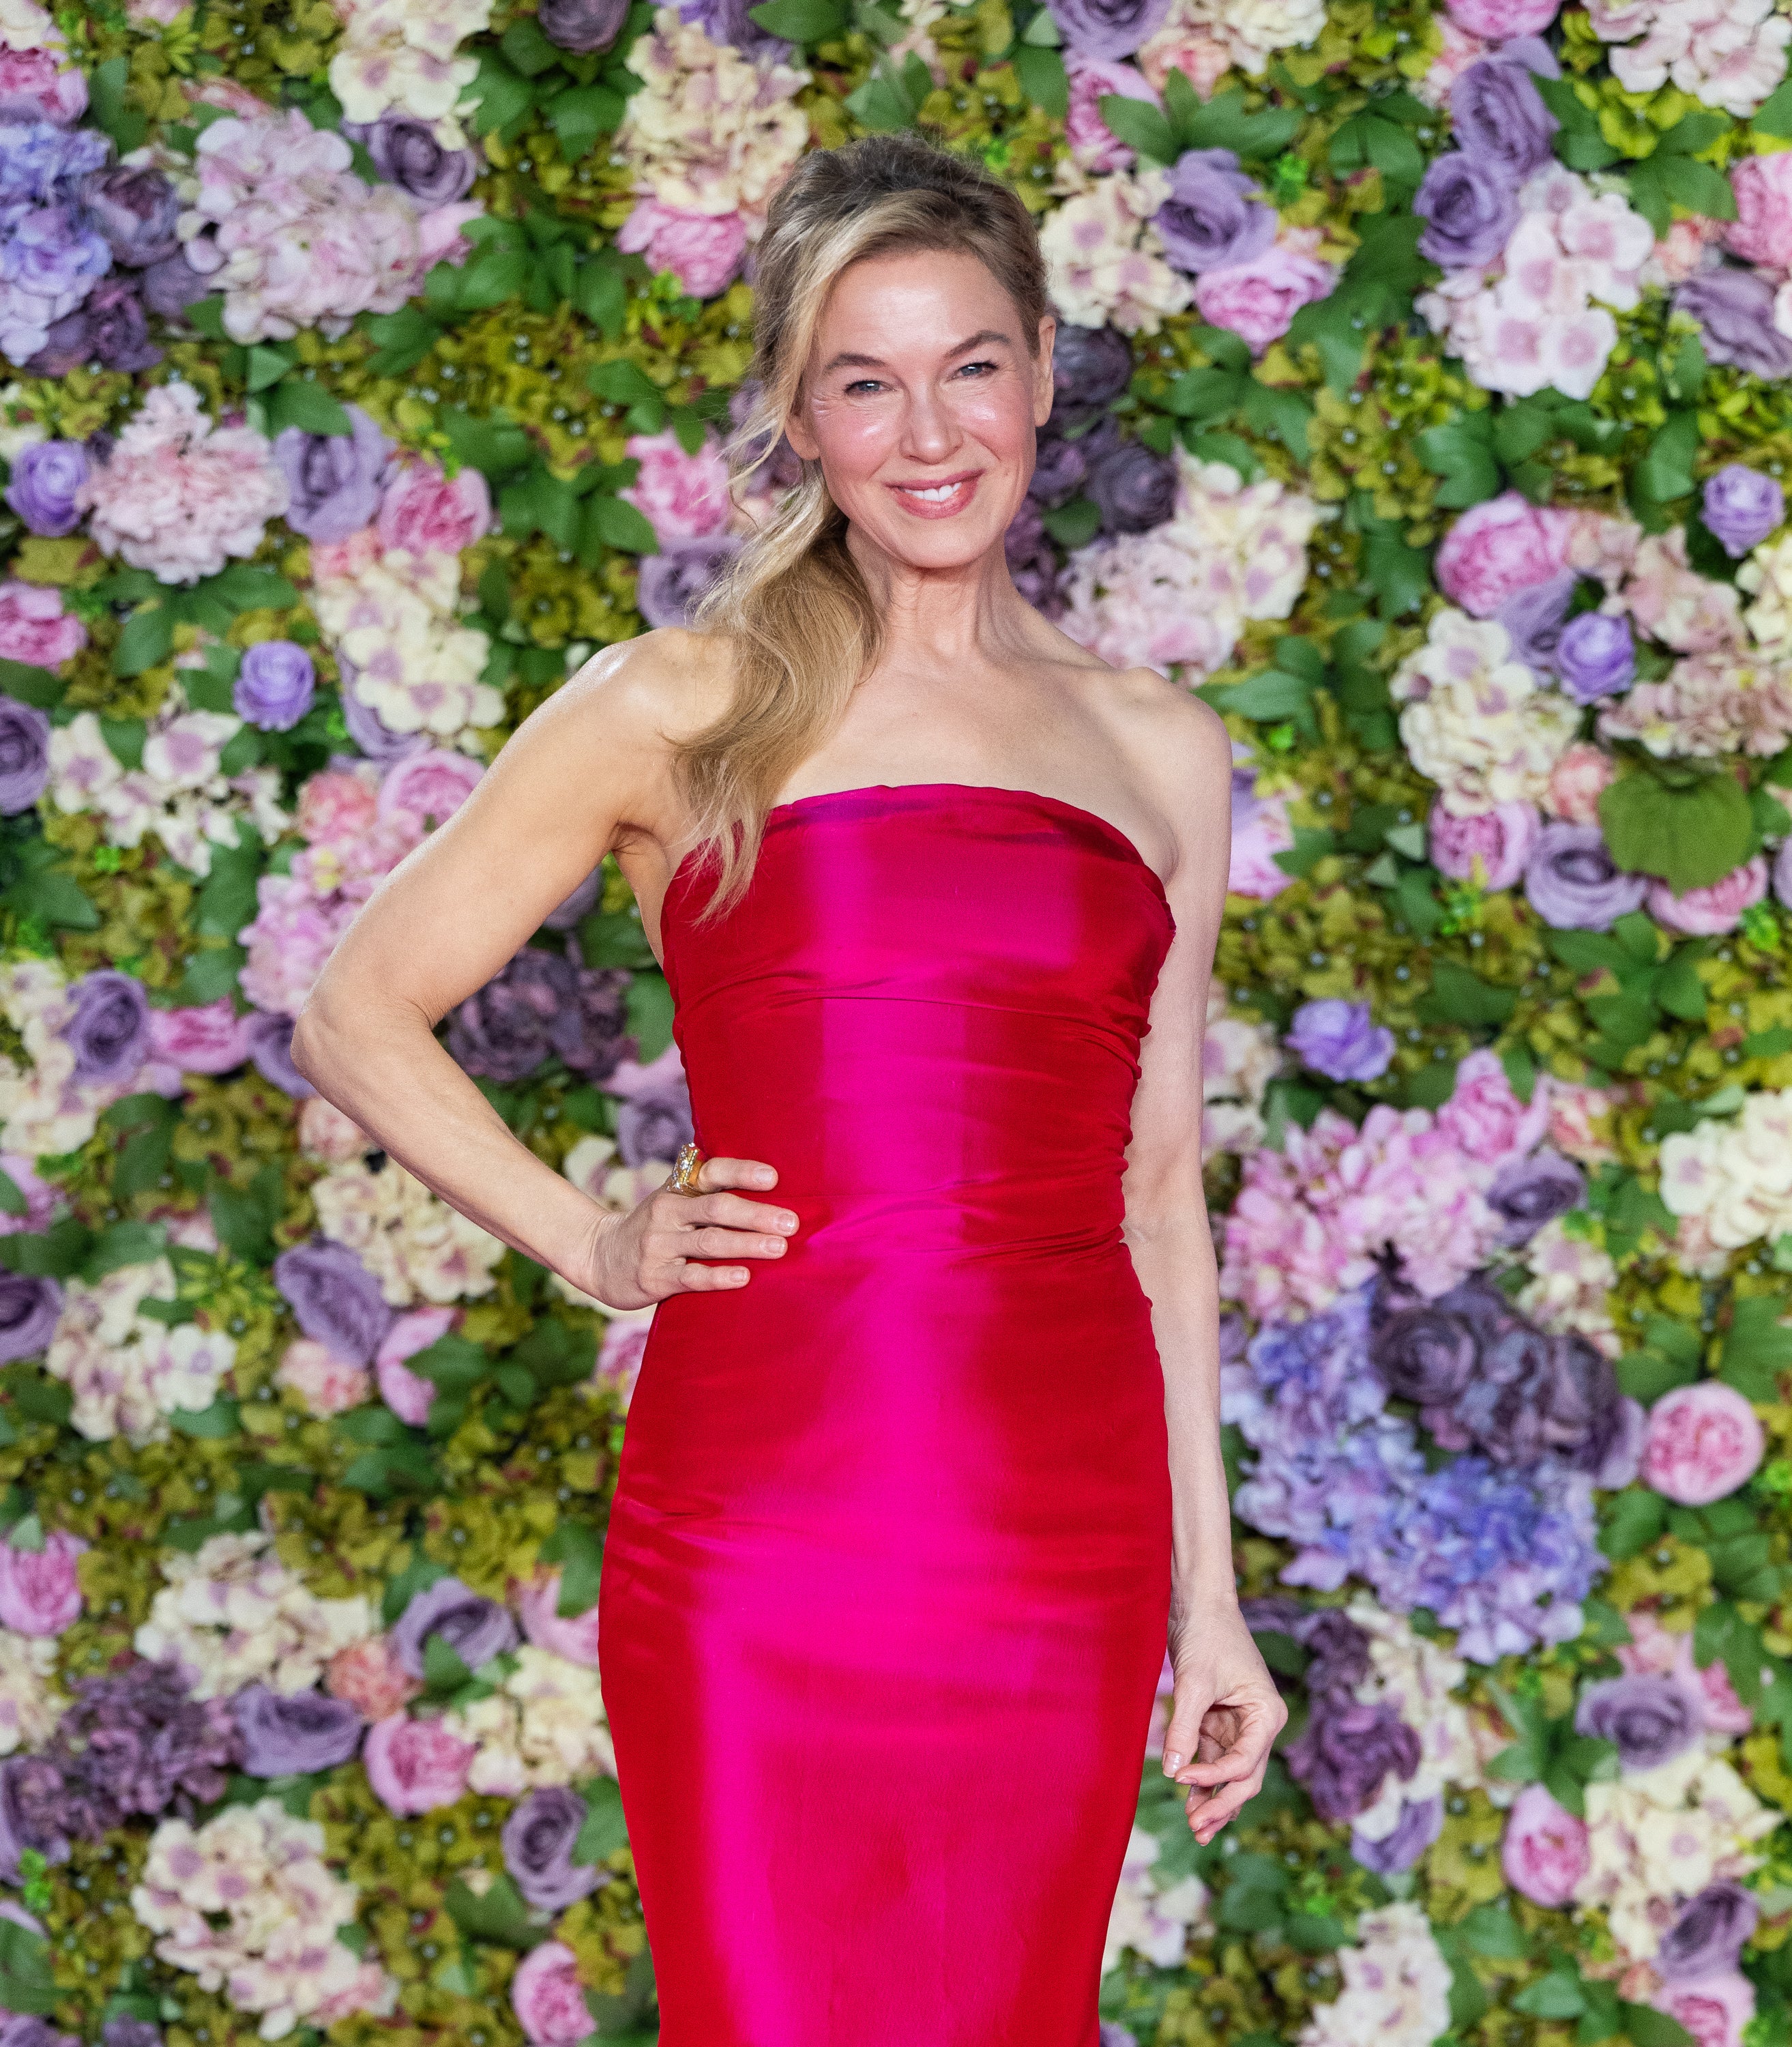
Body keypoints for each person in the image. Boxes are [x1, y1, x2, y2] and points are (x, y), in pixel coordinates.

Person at [291, 130, 1284, 2047]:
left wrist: (1210, 1601)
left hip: (1060, 1552)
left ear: (1043, 370)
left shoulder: (1159, 746)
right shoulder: (685, 700)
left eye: (970, 365)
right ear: (798, 414)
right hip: (769, 1539)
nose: (931, 434)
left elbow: (1157, 1190)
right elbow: (356, 1012)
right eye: (865, 382)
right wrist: (592, 1239)